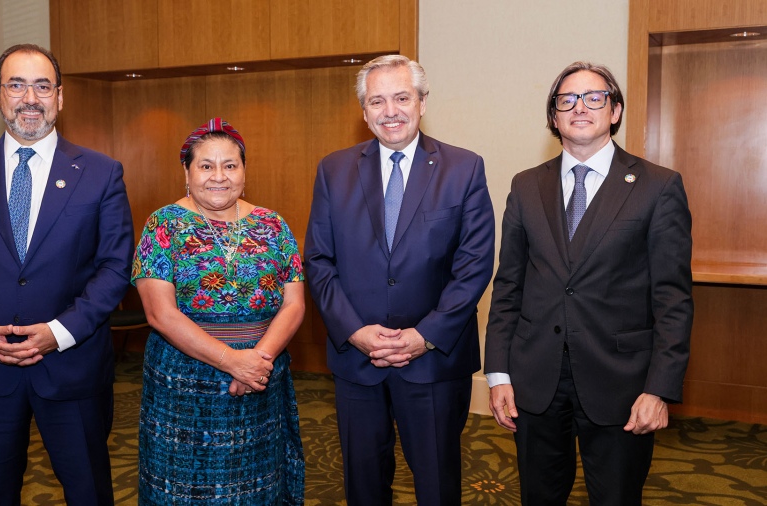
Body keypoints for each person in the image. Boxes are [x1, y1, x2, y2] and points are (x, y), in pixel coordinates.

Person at [0, 44, 134, 505]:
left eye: (42, 86)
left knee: (90, 493)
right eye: (16, 85)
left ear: (60, 97)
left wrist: (60, 332)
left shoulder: (101, 172)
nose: (30, 98)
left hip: (72, 369)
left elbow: (115, 265)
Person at [484, 61, 693, 505]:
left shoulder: (658, 186)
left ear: (614, 111)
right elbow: (508, 287)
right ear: (554, 116)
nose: (580, 107)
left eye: (594, 98)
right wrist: (498, 374)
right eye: (567, 100)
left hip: (622, 384)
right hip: (535, 381)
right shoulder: (526, 186)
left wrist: (659, 388)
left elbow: (673, 300)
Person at [304, 55, 496, 505]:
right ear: (364, 111)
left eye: (401, 98)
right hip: (358, 361)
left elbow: (473, 265)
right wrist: (354, 331)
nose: (390, 111)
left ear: (422, 103)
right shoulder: (333, 170)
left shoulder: (464, 168)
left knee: (437, 486)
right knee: (363, 486)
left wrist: (424, 336)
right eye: (377, 101)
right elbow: (318, 260)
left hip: (433, 362)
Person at [131, 118, 306, 504]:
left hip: (261, 375)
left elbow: (294, 304)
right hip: (185, 382)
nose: (219, 177)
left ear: (244, 170)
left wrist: (256, 361)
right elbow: (160, 314)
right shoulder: (163, 225)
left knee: (257, 483)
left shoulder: (273, 224)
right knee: (184, 486)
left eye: (230, 165)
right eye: (206, 166)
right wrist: (231, 361)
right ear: (187, 172)